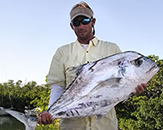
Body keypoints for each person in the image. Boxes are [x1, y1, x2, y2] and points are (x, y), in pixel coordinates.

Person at [38, 2, 147, 130]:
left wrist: (131, 89)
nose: (81, 26)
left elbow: (118, 87)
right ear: (71, 26)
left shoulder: (112, 48)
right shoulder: (62, 52)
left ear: (93, 21)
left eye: (85, 20)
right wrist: (50, 112)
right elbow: (58, 86)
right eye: (76, 22)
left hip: (106, 126)